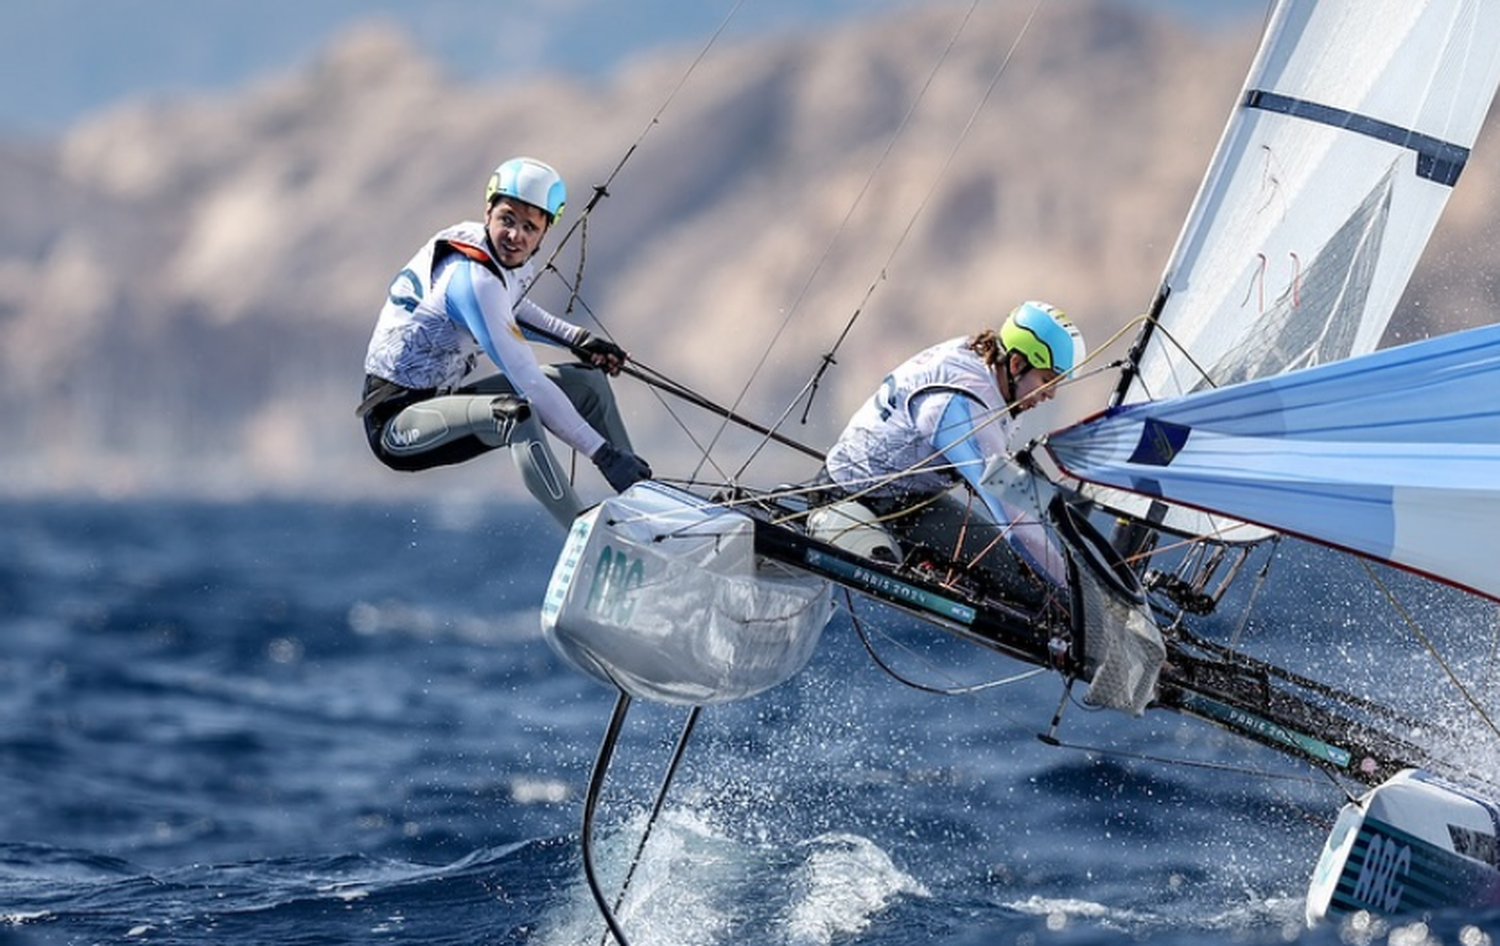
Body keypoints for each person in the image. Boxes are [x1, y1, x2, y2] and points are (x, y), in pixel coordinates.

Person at [357, 156, 651, 529]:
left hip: (443, 400)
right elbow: (526, 378)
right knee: (516, 414)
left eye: (530, 227)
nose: (516, 235)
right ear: (488, 214)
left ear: (545, 233)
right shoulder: (471, 279)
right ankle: (582, 530)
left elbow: (512, 307)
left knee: (588, 383)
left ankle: (644, 501)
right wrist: (602, 455)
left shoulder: (502, 264)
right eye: (507, 220)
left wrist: (579, 339)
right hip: (396, 425)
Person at [818, 300, 1084, 607]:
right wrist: (1074, 592)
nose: (1051, 394)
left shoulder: (984, 365)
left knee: (1033, 572)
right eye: (1047, 380)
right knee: (1036, 594)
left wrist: (1068, 508)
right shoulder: (962, 406)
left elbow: (1005, 481)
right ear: (1016, 364)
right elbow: (1013, 520)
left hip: (912, 499)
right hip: (853, 497)